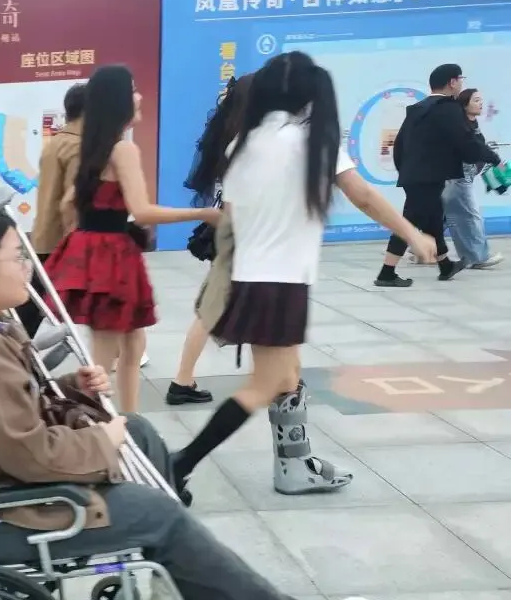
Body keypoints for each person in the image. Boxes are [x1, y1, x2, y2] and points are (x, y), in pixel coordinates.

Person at [0, 201, 385, 600]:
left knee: (140, 434)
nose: (29, 266)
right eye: (17, 257)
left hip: (4, 480)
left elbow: (12, 407)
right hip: (4, 511)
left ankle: (188, 580)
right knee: (157, 511)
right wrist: (103, 439)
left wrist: (74, 388)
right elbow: (28, 453)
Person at [169, 52, 438, 496]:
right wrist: (412, 233)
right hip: (280, 282)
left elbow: (232, 218)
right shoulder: (314, 142)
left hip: (251, 275)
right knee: (266, 384)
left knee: (288, 374)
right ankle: (181, 463)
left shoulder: (240, 145)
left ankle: (295, 465)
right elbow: (364, 196)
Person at [45, 65, 217, 414]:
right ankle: (96, 425)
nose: (139, 97)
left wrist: (81, 242)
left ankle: (127, 422)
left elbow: (67, 205)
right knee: (104, 358)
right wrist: (204, 213)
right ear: (118, 100)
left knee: (131, 345)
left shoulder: (92, 147)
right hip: (111, 255)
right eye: (133, 90)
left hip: (95, 250)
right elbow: (142, 212)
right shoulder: (122, 150)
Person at [166, 74, 254, 407]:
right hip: (239, 234)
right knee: (212, 308)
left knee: (244, 306)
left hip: (229, 230)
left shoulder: (225, 134)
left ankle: (282, 375)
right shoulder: (246, 142)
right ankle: (181, 380)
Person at [375, 63, 500, 287]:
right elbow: (466, 143)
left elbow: (399, 145)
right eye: (460, 79)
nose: (461, 84)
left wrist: (406, 170)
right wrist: (494, 158)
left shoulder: (417, 109)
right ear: (452, 82)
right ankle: (386, 272)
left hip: (414, 176)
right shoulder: (449, 109)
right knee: (408, 223)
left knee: (433, 220)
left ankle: (445, 265)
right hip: (429, 177)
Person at [19, 82, 86, 338]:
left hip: (44, 234)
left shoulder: (56, 142)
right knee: (36, 305)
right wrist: (75, 243)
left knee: (34, 302)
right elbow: (72, 200)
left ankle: (11, 346)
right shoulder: (77, 147)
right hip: (62, 238)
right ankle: (11, 348)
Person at [442, 87, 503, 270]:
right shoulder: (461, 126)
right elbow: (472, 148)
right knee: (470, 216)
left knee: (441, 216)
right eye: (476, 100)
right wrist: (494, 159)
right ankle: (477, 257)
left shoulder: (472, 124)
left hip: (463, 176)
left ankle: (415, 247)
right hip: (457, 177)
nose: (480, 103)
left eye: (481, 100)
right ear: (464, 104)